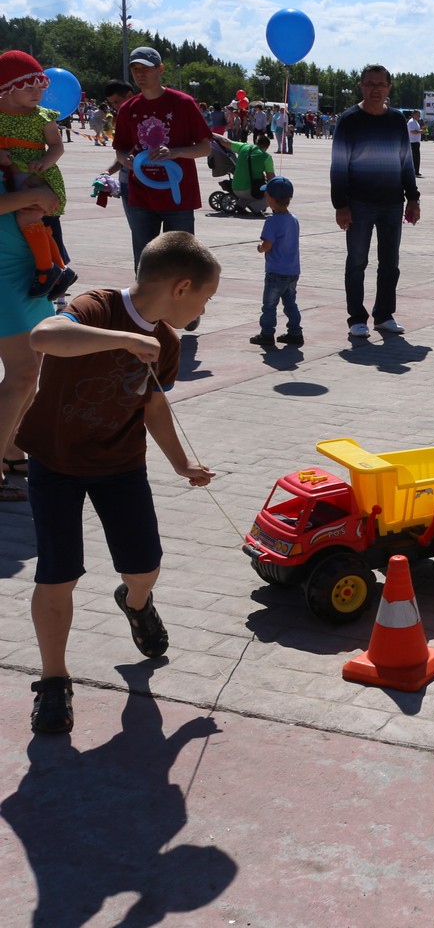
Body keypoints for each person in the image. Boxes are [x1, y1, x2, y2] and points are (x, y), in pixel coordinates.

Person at [20, 231, 218, 734]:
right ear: (182, 287)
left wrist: (181, 464)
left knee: (144, 566)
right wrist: (126, 338)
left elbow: (153, 406)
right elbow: (43, 337)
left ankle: (135, 603)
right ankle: (54, 681)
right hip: (55, 462)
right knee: (57, 574)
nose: (204, 310)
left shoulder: (168, 344)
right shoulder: (97, 307)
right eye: (205, 299)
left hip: (120, 465)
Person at [330, 64, 420, 339]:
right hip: (359, 204)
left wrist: (413, 198)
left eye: (381, 85)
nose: (375, 89)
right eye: (370, 84)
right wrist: (340, 205)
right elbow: (338, 166)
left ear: (389, 88)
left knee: (390, 262)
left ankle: (384, 315)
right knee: (357, 262)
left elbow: (406, 163)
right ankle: (357, 318)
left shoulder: (396, 121)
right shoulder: (349, 120)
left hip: (392, 203)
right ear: (361, 86)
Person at [112, 47, 212, 272]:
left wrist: (175, 152)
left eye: (146, 69)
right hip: (141, 197)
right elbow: (120, 149)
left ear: (160, 69)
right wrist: (125, 158)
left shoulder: (183, 103)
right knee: (145, 261)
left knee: (182, 260)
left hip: (178, 196)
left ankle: (180, 305)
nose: (140, 74)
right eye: (135, 69)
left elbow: (206, 147)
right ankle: (146, 305)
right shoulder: (129, 109)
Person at [0, 180, 60, 501]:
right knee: (22, 372)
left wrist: (43, 196)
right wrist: (33, 196)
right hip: (2, 274)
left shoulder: (15, 150)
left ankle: (11, 449)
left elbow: (54, 201)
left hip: (29, 270)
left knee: (33, 369)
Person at [0, 51, 73, 298]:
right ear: (8, 87)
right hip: (12, 178)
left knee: (28, 217)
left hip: (37, 177)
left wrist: (44, 161)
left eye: (40, 87)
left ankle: (46, 270)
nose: (37, 93)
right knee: (37, 223)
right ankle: (60, 269)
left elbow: (57, 146)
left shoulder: (41, 116)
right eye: (28, 87)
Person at [248, 176, 301, 347]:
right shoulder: (293, 219)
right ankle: (295, 332)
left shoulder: (271, 221)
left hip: (276, 272)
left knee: (269, 305)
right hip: (292, 271)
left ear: (270, 198)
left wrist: (260, 248)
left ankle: (267, 334)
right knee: (290, 304)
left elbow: (267, 245)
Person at [211, 131, 274, 216]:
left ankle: (241, 205)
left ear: (256, 142)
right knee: (273, 192)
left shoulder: (243, 147)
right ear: (267, 147)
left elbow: (225, 141)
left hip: (235, 187)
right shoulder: (266, 157)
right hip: (249, 190)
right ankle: (255, 207)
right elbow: (271, 180)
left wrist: (212, 133)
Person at [406, 111, 423, 177]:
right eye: (418, 115)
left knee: (416, 158)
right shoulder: (411, 122)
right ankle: (415, 172)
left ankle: (416, 171)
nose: (419, 116)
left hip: (416, 142)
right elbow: (412, 131)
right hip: (413, 142)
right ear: (414, 115)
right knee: (415, 158)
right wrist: (421, 131)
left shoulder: (415, 122)